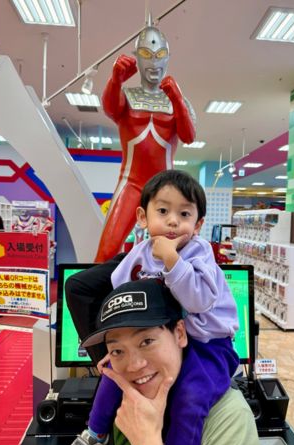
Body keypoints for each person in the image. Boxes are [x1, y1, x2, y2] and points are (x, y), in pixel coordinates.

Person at [70, 170, 239, 445]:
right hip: (165, 336)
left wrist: (173, 261)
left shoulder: (199, 253)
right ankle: (95, 432)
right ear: (142, 217)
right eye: (163, 211)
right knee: (113, 375)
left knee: (190, 399)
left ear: (198, 224)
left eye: (184, 214)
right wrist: (116, 345)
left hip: (208, 342)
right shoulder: (140, 252)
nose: (173, 220)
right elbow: (121, 288)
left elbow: (197, 302)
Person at [75, 279, 261, 445]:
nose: (134, 365)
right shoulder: (126, 405)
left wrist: (147, 444)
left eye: (147, 342)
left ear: (180, 333)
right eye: (117, 351)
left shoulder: (230, 420)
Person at [94, 16, 196, 263]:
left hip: (166, 187)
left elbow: (188, 136)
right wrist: (115, 79)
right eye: (146, 54)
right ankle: (103, 289)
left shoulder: (177, 100)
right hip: (131, 184)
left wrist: (178, 101)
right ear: (137, 57)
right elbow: (110, 108)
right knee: (108, 249)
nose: (154, 62)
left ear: (168, 57)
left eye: (159, 54)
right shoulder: (126, 95)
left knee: (173, 253)